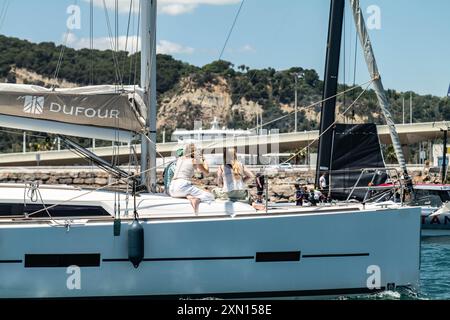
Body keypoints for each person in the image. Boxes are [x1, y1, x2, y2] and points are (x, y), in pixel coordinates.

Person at [169, 143, 214, 214]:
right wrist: (204, 160)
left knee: (190, 189)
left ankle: (190, 196)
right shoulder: (194, 160)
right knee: (210, 196)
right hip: (181, 186)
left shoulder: (179, 159)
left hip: (172, 189)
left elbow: (197, 170)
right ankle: (197, 199)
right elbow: (206, 172)